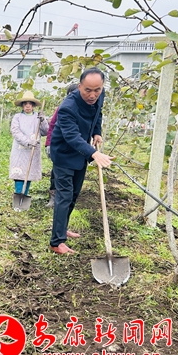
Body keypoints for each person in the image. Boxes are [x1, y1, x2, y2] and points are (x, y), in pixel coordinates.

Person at [49, 68, 114, 254]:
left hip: (81, 153)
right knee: (64, 196)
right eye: (88, 90)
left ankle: (62, 228)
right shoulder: (67, 107)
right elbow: (71, 136)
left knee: (74, 195)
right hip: (64, 153)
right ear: (79, 87)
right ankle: (56, 242)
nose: (93, 95)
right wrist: (94, 153)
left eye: (97, 90)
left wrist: (97, 132)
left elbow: (98, 113)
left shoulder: (100, 96)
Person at [9, 91, 48, 209]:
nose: (27, 106)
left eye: (30, 104)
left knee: (29, 173)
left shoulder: (38, 117)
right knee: (19, 173)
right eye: (25, 104)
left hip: (33, 151)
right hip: (20, 150)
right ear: (22, 105)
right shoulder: (17, 117)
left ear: (33, 105)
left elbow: (45, 131)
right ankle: (18, 195)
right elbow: (15, 131)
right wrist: (27, 141)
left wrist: (43, 120)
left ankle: (24, 195)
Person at [45, 83, 78, 208]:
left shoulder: (82, 110)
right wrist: (48, 144)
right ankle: (53, 197)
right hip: (59, 147)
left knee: (72, 174)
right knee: (56, 172)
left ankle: (67, 197)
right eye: (70, 94)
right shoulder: (62, 108)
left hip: (74, 147)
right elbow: (52, 126)